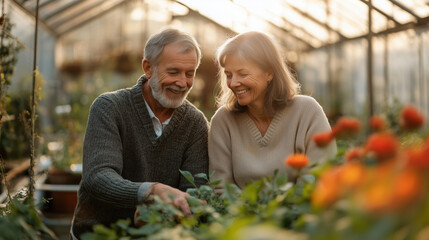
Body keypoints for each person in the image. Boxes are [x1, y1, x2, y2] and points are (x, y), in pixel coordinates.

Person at [70, 27, 209, 239]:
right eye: (173, 72)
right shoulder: (109, 108)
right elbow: (98, 177)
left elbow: (195, 193)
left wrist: (161, 215)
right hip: (99, 234)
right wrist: (151, 192)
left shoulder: (195, 123)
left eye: (189, 74)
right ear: (148, 68)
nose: (182, 83)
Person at [208, 31, 336, 191]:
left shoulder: (307, 112)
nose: (233, 83)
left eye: (242, 74)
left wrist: (281, 213)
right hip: (240, 216)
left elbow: (320, 179)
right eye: (228, 75)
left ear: (269, 73)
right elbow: (221, 188)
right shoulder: (223, 121)